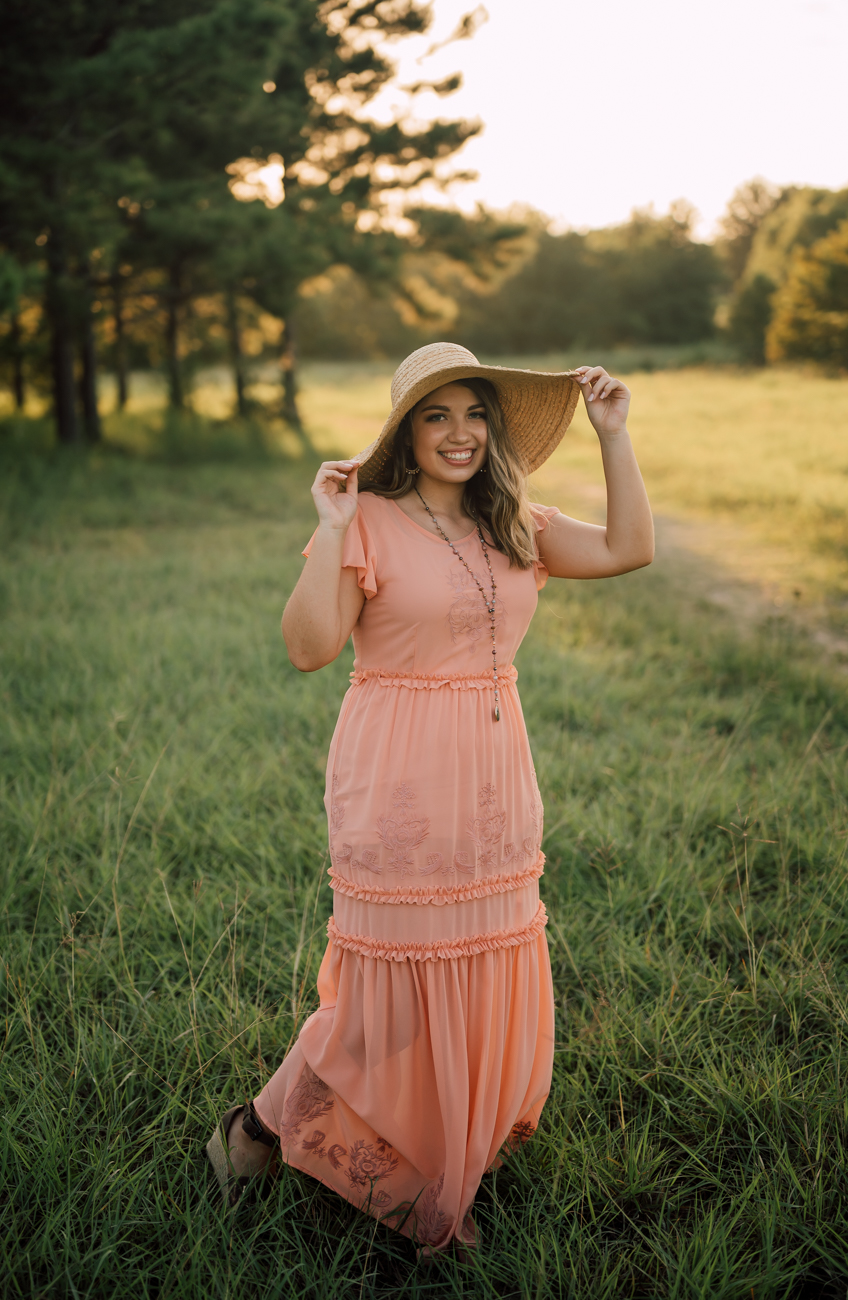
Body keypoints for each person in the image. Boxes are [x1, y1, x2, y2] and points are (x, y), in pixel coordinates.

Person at [206, 341, 654, 1252]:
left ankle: (440, 1161)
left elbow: (628, 549)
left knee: (477, 969)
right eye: (436, 415)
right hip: (396, 776)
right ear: (405, 433)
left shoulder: (513, 519)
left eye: (475, 413)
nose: (459, 433)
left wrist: (613, 433)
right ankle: (261, 1127)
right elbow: (308, 648)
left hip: (494, 779)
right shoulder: (367, 518)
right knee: (387, 997)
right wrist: (332, 528)